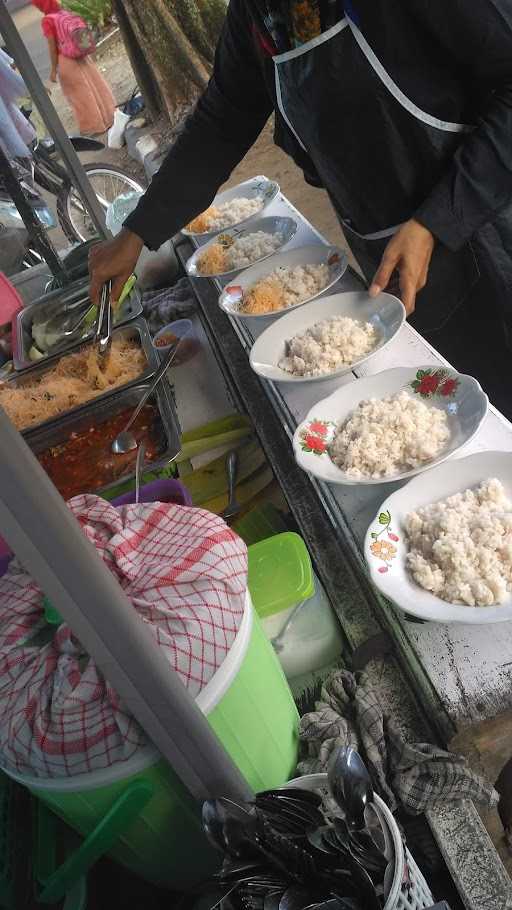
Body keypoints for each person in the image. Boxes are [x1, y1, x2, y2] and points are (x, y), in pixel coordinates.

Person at [89, 0, 512, 415]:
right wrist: (136, 234)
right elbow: (223, 118)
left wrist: (434, 223)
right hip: (386, 248)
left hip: (485, 216)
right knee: (460, 399)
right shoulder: (260, 13)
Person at [32, 0, 114, 137]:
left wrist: (53, 70)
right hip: (81, 55)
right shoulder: (64, 13)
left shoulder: (47, 20)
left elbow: (53, 48)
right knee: (96, 86)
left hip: (66, 60)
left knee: (79, 96)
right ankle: (110, 117)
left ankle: (93, 126)